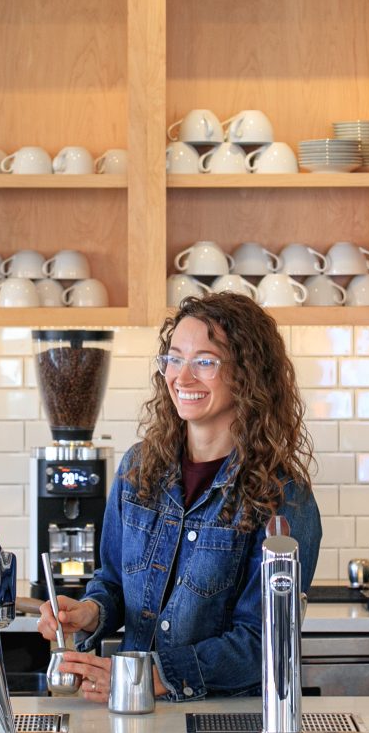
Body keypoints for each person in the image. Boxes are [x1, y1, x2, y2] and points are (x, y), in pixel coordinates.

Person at [40, 292, 322, 702]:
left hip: (229, 731)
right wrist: (89, 614)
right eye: (174, 358)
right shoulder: (140, 469)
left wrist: (155, 676)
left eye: (205, 361)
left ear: (247, 375)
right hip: (137, 717)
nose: (182, 377)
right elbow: (113, 582)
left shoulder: (282, 497)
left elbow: (263, 643)